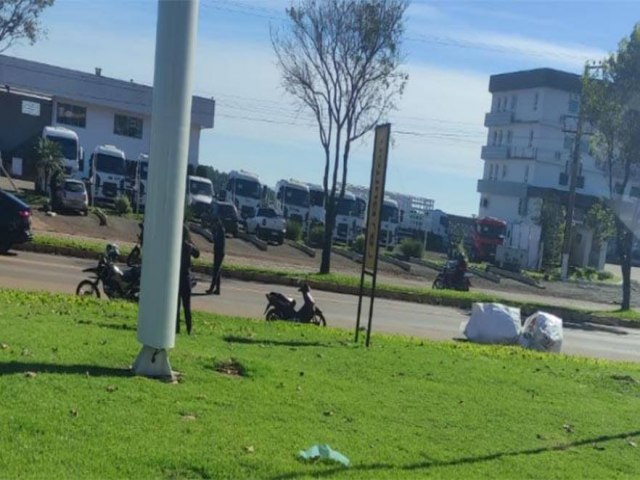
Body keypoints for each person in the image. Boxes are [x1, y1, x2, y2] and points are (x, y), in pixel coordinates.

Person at [177, 225, 200, 335]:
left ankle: (176, 327)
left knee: (175, 305)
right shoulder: (188, 246)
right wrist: (191, 242)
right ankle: (189, 328)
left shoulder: (176, 244)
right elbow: (197, 254)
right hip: (185, 277)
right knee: (187, 305)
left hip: (176, 277)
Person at [206, 217, 226, 295]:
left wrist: (214, 233)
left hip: (219, 252)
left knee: (216, 271)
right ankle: (217, 290)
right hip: (217, 252)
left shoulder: (221, 230)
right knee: (218, 272)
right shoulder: (218, 230)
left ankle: (211, 288)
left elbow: (218, 242)